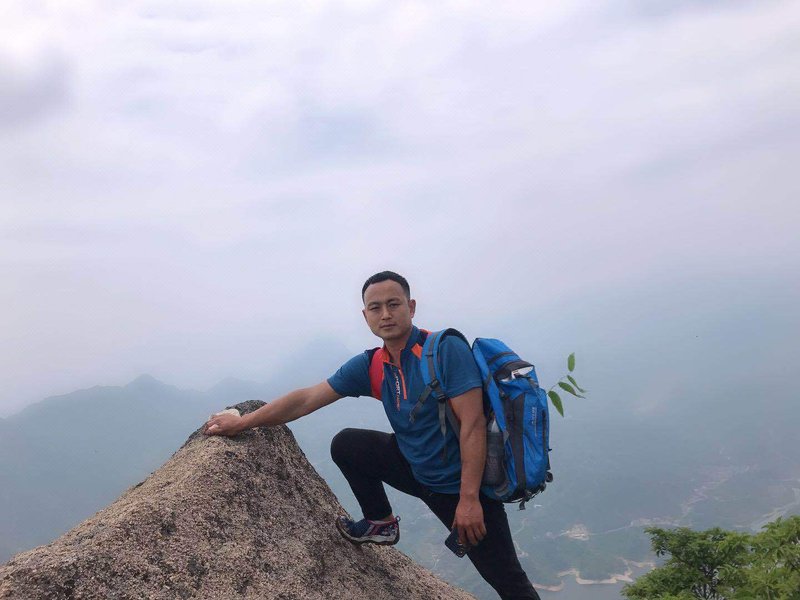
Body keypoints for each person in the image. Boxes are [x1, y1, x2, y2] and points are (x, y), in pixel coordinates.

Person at [205, 271, 540, 600]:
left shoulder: (444, 351)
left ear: (411, 307)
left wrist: (468, 501)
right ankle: (381, 523)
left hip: (459, 486)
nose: (385, 314)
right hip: (415, 468)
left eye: (393, 304)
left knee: (508, 581)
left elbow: (473, 425)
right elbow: (306, 399)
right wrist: (243, 423)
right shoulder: (373, 365)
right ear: (365, 316)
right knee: (348, 444)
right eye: (375, 308)